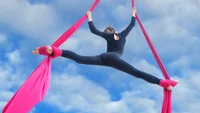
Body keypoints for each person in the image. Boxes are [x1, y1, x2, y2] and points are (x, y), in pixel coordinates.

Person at [32, 8, 177, 90]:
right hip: (113, 58)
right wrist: (133, 13)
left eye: (106, 31)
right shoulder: (122, 36)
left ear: (109, 31)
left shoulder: (108, 36)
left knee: (80, 59)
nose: (106, 33)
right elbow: (131, 25)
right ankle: (162, 83)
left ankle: (54, 51)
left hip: (105, 58)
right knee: (136, 73)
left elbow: (94, 31)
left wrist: (90, 17)